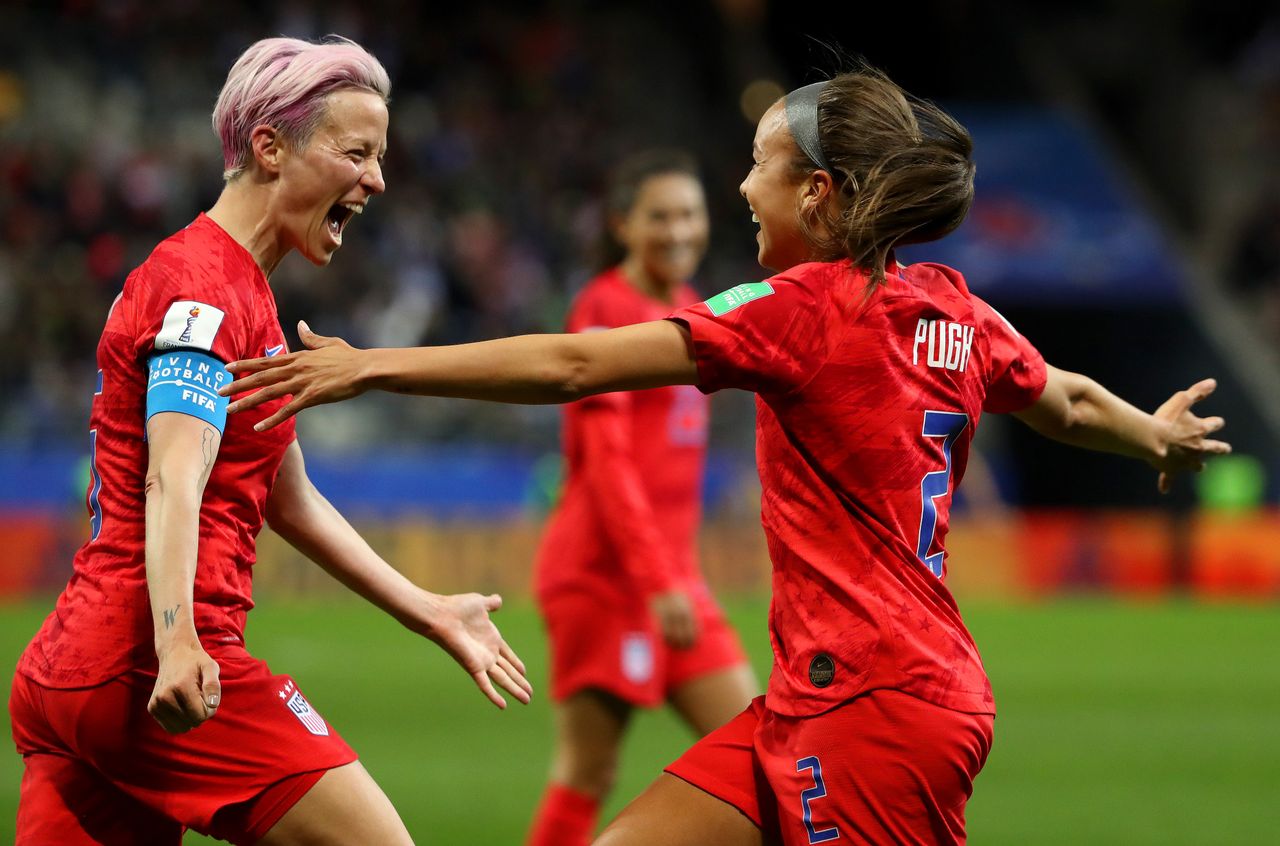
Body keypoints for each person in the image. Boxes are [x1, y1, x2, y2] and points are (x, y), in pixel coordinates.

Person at [221, 64, 1230, 845]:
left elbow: (575, 364)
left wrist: (374, 368)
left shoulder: (797, 311)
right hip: (820, 696)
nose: (740, 185)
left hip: (876, 711)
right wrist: (1151, 431)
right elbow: (1064, 399)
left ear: (820, 195)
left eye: (757, 164)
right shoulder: (952, 308)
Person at [9, 36, 530, 846]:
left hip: (81, 669)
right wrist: (179, 640)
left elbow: (291, 500)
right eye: (356, 151)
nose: (378, 178)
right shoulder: (203, 292)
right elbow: (173, 479)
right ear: (270, 147)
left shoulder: (237, 295)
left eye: (380, 155)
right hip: (148, 661)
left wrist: (428, 610)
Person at [524, 150, 756, 846]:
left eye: (689, 214)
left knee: (765, 752)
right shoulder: (605, 308)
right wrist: (657, 580)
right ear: (624, 225)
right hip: (605, 578)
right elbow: (609, 463)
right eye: (659, 216)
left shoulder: (688, 314)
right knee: (588, 772)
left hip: (671, 580)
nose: (678, 230)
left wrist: (670, 576)